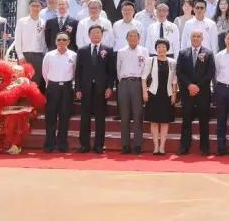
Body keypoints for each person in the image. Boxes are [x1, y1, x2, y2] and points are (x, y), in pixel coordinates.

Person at [74, 24, 115, 153]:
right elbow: (78, 71)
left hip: (101, 89)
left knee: (100, 118)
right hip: (85, 88)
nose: (96, 34)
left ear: (102, 35)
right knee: (85, 118)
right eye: (93, 32)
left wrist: (110, 87)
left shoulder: (108, 50)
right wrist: (77, 88)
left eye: (98, 32)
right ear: (89, 35)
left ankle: (99, 145)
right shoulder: (82, 50)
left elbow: (111, 71)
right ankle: (84, 145)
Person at [176, 30, 215, 155]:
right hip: (187, 92)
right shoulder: (183, 53)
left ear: (202, 38)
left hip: (202, 92)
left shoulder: (208, 53)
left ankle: (204, 147)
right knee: (186, 120)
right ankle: (184, 146)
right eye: (194, 36)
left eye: (198, 36)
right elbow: (179, 72)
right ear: (190, 38)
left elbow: (210, 73)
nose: (196, 38)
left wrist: (197, 86)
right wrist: (189, 85)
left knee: (204, 121)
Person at [41, 32, 77, 152]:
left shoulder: (73, 55)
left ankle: (62, 144)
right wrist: (51, 84)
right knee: (50, 116)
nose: (61, 42)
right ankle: (49, 144)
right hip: (53, 87)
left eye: (64, 40)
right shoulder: (49, 55)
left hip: (67, 88)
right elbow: (45, 72)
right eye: (59, 39)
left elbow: (75, 72)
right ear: (55, 41)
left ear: (69, 42)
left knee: (64, 116)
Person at [115, 28, 149, 154]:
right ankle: (125, 145)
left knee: (137, 115)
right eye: (130, 36)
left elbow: (146, 68)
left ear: (139, 38)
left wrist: (143, 85)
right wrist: (122, 80)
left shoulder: (144, 51)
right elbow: (118, 68)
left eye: (135, 36)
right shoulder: (121, 51)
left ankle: (137, 144)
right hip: (124, 83)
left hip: (138, 83)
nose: (132, 38)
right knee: (124, 115)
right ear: (126, 38)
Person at [142, 39, 178, 155]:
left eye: (163, 47)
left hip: (167, 94)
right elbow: (143, 78)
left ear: (167, 49)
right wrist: (144, 92)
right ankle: (156, 147)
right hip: (153, 94)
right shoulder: (151, 60)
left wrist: (174, 94)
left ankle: (162, 146)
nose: (161, 49)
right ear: (156, 49)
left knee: (164, 121)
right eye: (159, 47)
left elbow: (174, 80)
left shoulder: (172, 62)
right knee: (154, 121)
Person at [14, 0, 47, 93]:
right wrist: (20, 56)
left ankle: (34, 101)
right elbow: (17, 40)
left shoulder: (44, 22)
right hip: (25, 56)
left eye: (37, 6)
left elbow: (44, 41)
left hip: (39, 56)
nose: (35, 8)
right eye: (33, 6)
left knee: (36, 82)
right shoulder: (21, 21)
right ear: (29, 7)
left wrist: (44, 54)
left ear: (41, 8)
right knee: (23, 81)